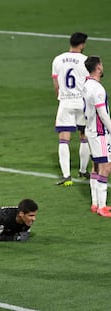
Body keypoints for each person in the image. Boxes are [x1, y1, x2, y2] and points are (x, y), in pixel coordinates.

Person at [52, 32, 90, 186]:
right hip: (82, 101)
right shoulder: (86, 60)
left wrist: (60, 98)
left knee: (64, 139)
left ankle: (67, 176)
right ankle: (82, 171)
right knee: (84, 136)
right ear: (82, 44)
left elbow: (56, 84)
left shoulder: (58, 59)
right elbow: (89, 83)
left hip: (65, 102)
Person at [82, 56, 111, 217]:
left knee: (96, 166)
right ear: (98, 67)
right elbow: (103, 114)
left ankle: (95, 203)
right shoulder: (98, 89)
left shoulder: (87, 85)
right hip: (100, 133)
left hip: (91, 130)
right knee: (106, 167)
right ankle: (102, 206)